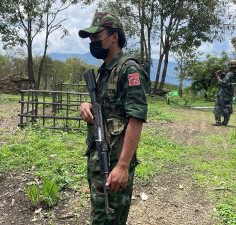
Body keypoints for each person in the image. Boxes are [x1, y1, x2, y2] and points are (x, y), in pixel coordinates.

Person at [79, 12, 150, 225]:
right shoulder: (105, 70)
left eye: (96, 36)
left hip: (113, 164)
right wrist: (87, 106)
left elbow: (136, 119)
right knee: (102, 217)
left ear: (114, 37)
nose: (93, 42)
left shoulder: (129, 69)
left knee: (108, 219)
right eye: (90, 39)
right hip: (99, 160)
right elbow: (107, 106)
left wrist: (123, 166)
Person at [213, 60, 236, 126]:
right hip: (230, 93)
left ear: (230, 66)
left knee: (218, 107)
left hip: (223, 93)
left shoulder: (229, 74)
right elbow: (229, 79)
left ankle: (218, 122)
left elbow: (223, 83)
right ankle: (225, 122)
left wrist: (218, 77)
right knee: (228, 107)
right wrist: (223, 74)